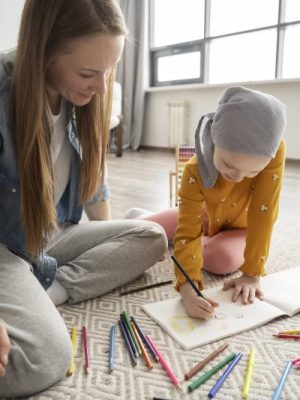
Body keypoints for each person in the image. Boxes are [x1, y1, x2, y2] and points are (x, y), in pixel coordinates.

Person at [0, 1, 167, 397]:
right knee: (45, 358)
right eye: (88, 73)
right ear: (43, 50)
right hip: (5, 248)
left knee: (151, 236)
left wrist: (109, 237)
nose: (101, 85)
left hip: (49, 233)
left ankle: (46, 290)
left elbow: (93, 188)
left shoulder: (83, 100)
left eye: (109, 70)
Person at [127, 86, 286, 320]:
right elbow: (189, 229)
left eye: (252, 172)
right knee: (139, 229)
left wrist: (252, 274)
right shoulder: (194, 169)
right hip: (204, 217)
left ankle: (189, 241)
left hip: (241, 229)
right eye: (229, 165)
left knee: (221, 260)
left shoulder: (274, 152)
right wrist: (188, 288)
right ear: (214, 138)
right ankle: (145, 217)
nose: (238, 177)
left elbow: (265, 213)